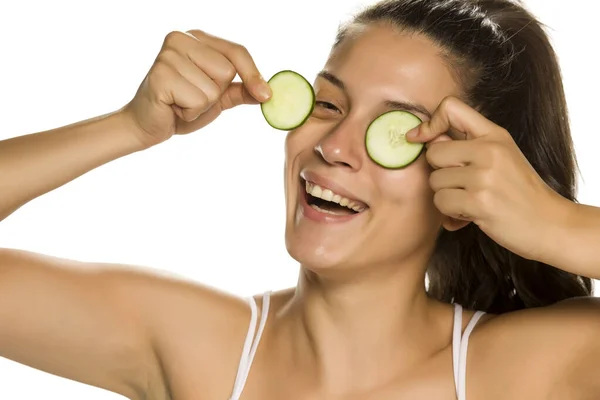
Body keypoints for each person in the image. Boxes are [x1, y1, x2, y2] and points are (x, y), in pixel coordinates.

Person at [1, 0, 599, 399]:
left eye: (395, 131)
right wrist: (129, 127)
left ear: (461, 191)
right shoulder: (196, 347)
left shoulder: (528, 371)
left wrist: (557, 224)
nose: (335, 147)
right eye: (329, 105)